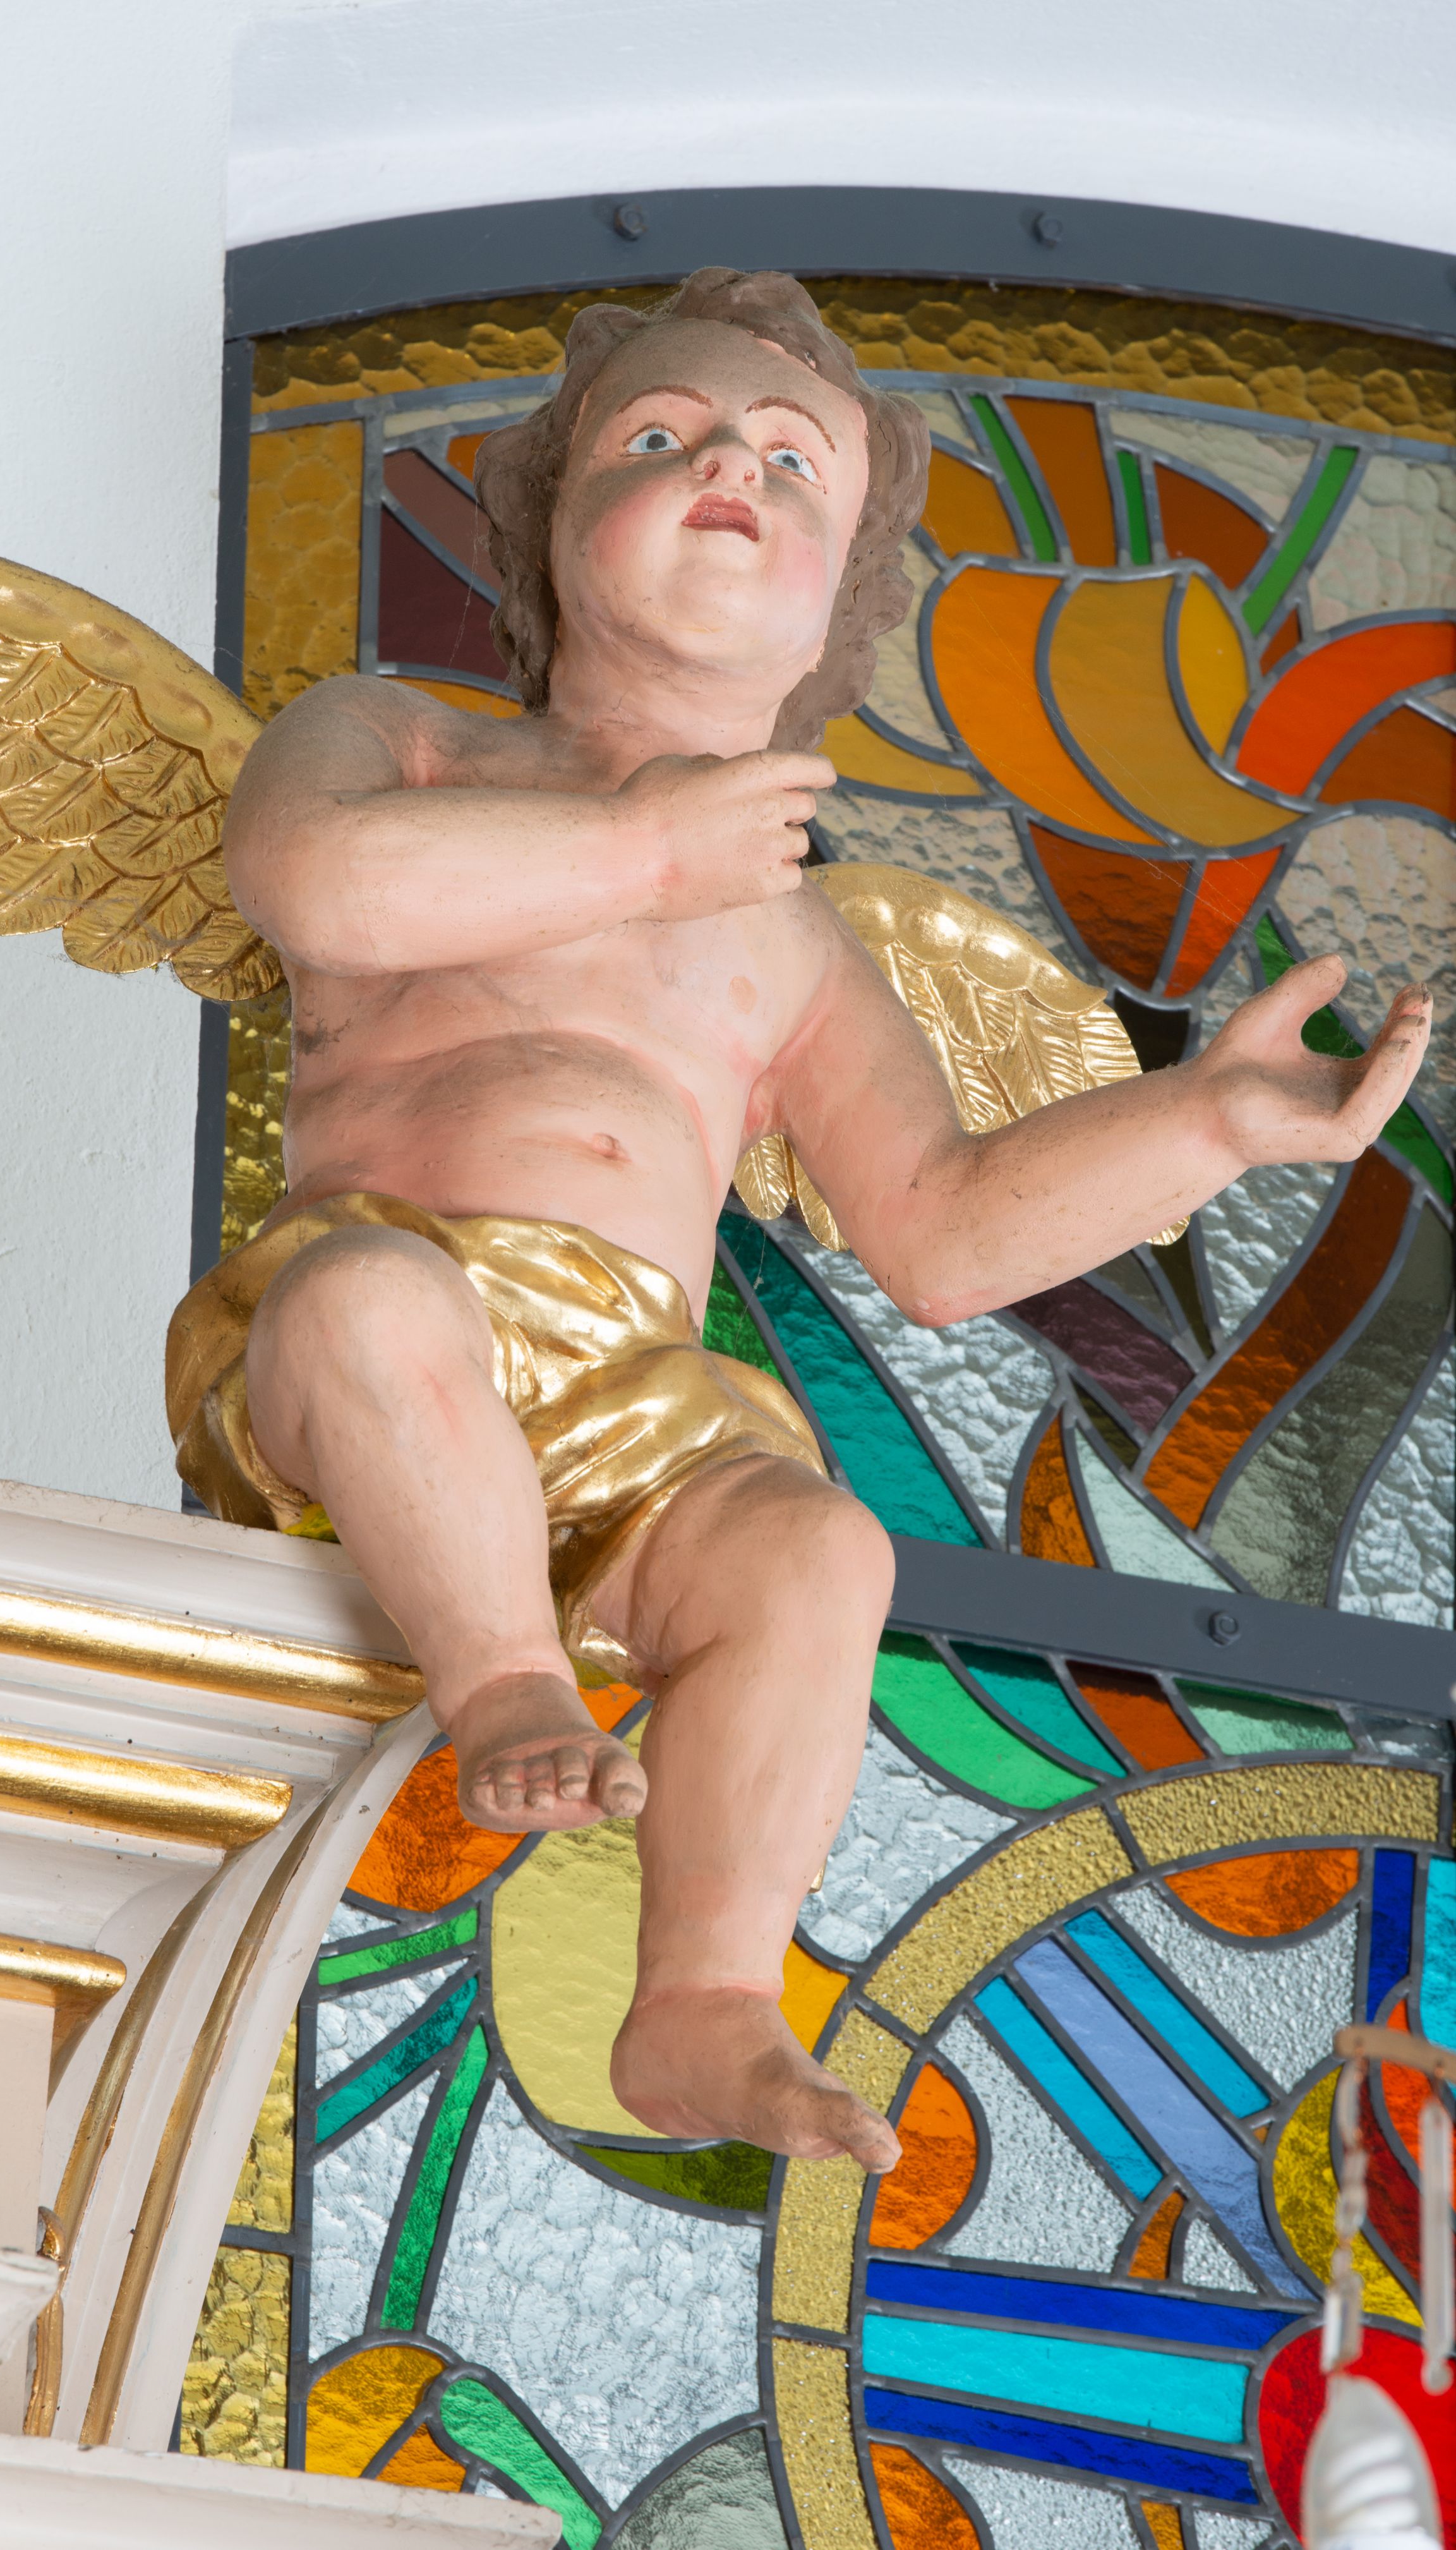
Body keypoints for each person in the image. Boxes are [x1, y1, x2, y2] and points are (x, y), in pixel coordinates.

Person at [167, 269, 1430, 2170]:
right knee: (364, 1310)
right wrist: (641, 851)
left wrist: (1206, 1122)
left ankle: (702, 1998)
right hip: (365, 1327)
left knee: (818, 1551)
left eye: (789, 463)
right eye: (661, 435)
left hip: (637, 1398)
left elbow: (941, 1231)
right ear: (555, 518)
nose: (727, 471)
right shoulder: (406, 742)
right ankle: (501, 1674)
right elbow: (318, 885)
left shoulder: (794, 940)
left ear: (839, 597)